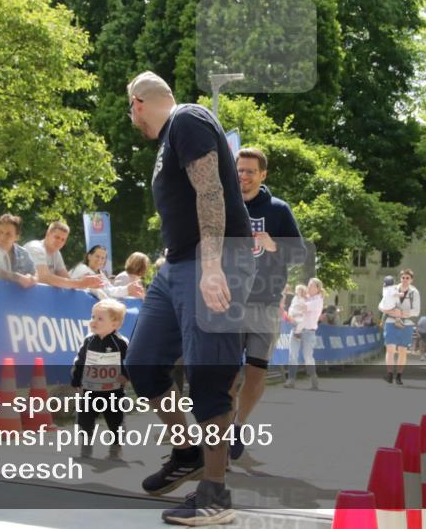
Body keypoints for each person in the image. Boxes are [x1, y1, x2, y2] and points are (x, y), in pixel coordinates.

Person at [120, 71, 254, 525]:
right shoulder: (167, 143)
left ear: (137, 103)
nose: (132, 119)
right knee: (142, 362)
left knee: (209, 378)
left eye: (130, 111)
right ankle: (187, 449)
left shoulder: (188, 119)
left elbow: (211, 189)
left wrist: (213, 265)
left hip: (213, 261)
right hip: (176, 264)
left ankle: (215, 495)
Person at [230, 146, 305, 460]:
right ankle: (219, 432)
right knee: (227, 374)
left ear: (262, 175)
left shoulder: (278, 209)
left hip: (265, 304)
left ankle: (238, 424)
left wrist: (274, 245)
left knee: (256, 373)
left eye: (249, 171)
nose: (243, 176)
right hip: (229, 305)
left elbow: (299, 254)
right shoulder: (224, 204)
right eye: (239, 169)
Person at [71, 298, 130, 461]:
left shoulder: (120, 343)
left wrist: (126, 374)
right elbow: (80, 360)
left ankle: (115, 448)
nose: (94, 321)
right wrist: (76, 379)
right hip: (90, 389)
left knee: (115, 419)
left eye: (100, 318)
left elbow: (132, 361)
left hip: (113, 391)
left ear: (115, 324)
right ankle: (86, 446)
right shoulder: (88, 341)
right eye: (92, 317)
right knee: (84, 417)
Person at [25, 220, 104, 291]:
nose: (59, 242)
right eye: (57, 237)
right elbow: (43, 278)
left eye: (63, 239)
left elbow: (66, 279)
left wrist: (87, 283)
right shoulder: (35, 248)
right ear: (48, 234)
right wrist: (80, 283)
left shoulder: (56, 253)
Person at [380, 270, 421, 385]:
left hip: (406, 324)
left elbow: (416, 312)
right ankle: (389, 374)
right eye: (403, 277)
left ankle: (398, 375)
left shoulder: (414, 292)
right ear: (400, 278)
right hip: (391, 321)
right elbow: (382, 306)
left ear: (411, 280)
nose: (405, 280)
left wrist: (402, 313)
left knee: (402, 351)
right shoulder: (392, 289)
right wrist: (393, 312)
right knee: (390, 348)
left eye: (407, 278)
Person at [285, 278, 325, 390]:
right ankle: (291, 380)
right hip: (296, 329)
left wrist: (298, 300)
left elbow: (302, 306)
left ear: (318, 289)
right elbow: (292, 309)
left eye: (312, 286)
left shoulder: (318, 300)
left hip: (309, 332)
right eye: (308, 285)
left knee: (308, 357)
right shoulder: (302, 297)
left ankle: (313, 378)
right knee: (293, 355)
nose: (309, 287)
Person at [70, 244, 144, 300]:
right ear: (89, 256)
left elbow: (110, 290)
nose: (100, 260)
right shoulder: (82, 269)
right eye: (97, 256)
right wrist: (127, 289)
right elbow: (105, 292)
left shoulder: (100, 274)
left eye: (103, 258)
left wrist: (128, 289)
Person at [0, 213, 37, 279]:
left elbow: (34, 273)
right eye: (0, 232)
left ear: (17, 237)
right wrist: (16, 277)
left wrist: (32, 279)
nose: (3, 237)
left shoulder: (23, 253)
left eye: (8, 234)